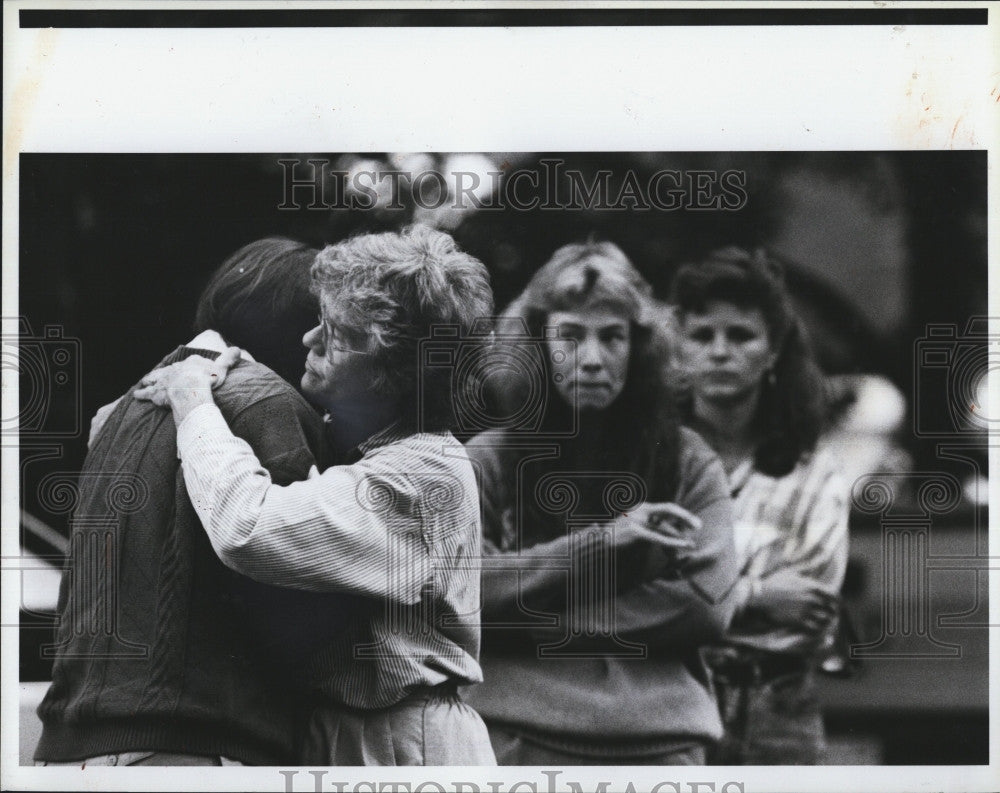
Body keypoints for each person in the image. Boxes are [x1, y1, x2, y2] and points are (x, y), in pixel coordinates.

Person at [132, 223, 497, 766]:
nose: (309, 339)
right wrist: (242, 376)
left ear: (394, 373)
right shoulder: (376, 449)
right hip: (355, 733)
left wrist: (195, 402)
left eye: (338, 334)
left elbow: (248, 528)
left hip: (403, 743)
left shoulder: (423, 475)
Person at [35, 237, 358, 766]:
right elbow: (293, 595)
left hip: (76, 746)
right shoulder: (267, 400)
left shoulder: (123, 407)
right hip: (188, 743)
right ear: (303, 330)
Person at [462, 240, 739, 766]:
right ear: (536, 343)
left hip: (663, 744)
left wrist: (528, 613)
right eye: (570, 335)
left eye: (612, 337)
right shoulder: (488, 460)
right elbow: (460, 590)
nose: (592, 359)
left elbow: (706, 604)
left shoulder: (685, 459)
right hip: (517, 739)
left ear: (640, 348)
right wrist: (604, 543)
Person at [670, 246, 849, 765]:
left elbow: (808, 614)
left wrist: (696, 597)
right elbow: (637, 599)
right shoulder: (655, 463)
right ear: (679, 349)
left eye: (741, 335)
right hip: (669, 707)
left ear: (772, 351)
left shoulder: (813, 470)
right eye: (702, 336)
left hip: (779, 715)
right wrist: (757, 592)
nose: (720, 351)